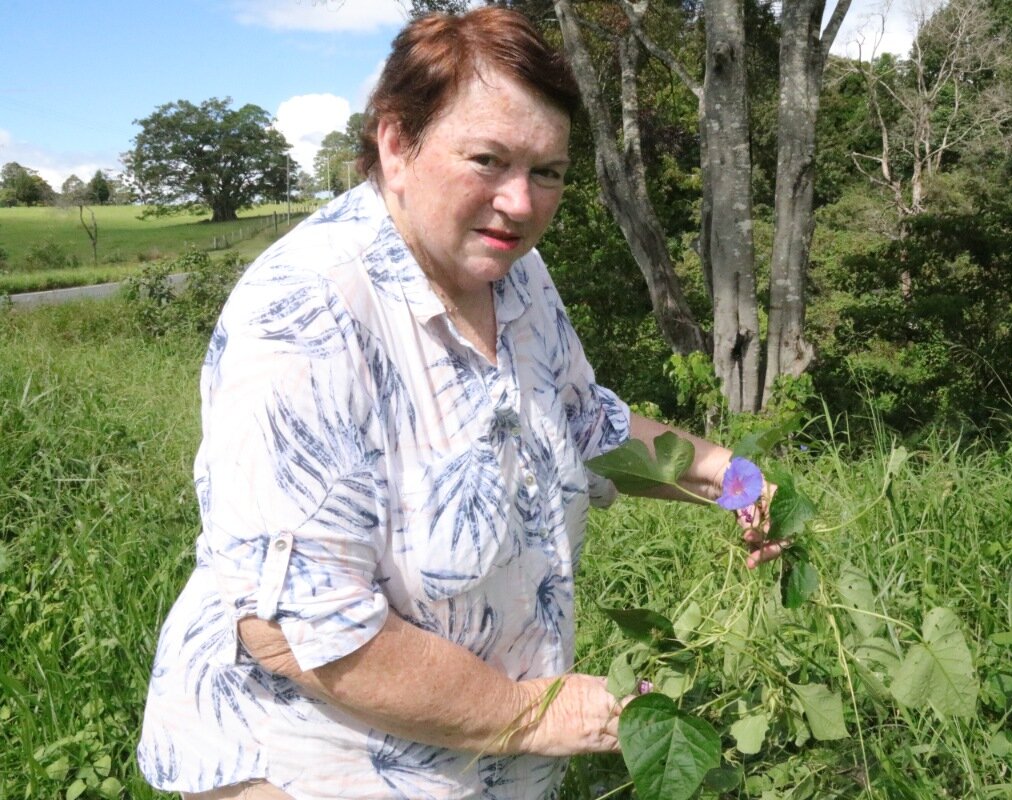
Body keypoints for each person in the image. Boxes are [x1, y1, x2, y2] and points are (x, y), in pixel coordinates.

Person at [137, 8, 780, 799]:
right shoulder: (305, 317)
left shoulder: (507, 270)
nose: (520, 202)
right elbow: (299, 632)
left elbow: (585, 424)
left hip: (477, 759)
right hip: (311, 766)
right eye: (488, 160)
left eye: (548, 172)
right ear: (396, 143)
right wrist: (530, 715)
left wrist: (734, 482)